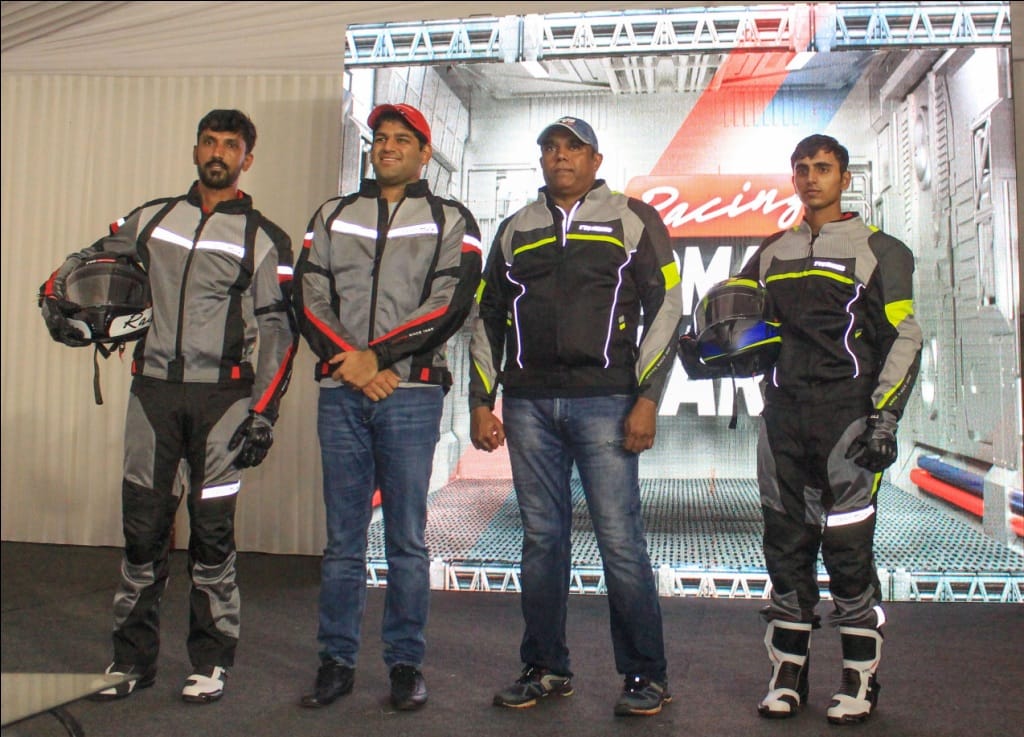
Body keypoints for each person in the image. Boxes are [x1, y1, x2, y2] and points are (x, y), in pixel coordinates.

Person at [38, 109, 298, 704]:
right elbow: (91, 264)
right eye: (209, 141)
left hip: (223, 401)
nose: (218, 152)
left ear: (247, 159)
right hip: (152, 393)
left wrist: (264, 413)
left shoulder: (264, 237)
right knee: (142, 533)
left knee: (212, 536)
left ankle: (211, 661)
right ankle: (131, 662)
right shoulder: (152, 218)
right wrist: (59, 297)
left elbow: (279, 331)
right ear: (196, 150)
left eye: (230, 145)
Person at [704, 134, 922, 724]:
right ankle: (787, 677)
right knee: (785, 551)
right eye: (801, 168)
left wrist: (884, 416)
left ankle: (859, 681)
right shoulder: (772, 251)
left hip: (847, 420)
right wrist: (715, 350)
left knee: (849, 555)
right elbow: (741, 321)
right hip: (782, 419)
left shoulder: (881, 251)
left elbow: (905, 337)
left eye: (822, 168)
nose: (810, 177)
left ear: (844, 178)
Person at [469, 116, 682, 717]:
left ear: (595, 159)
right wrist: (481, 401)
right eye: (550, 147)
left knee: (620, 541)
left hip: (607, 402)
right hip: (529, 405)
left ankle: (646, 675)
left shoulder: (634, 218)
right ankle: (545, 667)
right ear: (542, 159)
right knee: (542, 541)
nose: (560, 156)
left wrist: (647, 397)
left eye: (573, 147)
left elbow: (668, 305)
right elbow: (488, 315)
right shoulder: (515, 228)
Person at [293, 102, 482, 712]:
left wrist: (377, 357)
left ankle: (404, 664)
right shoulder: (332, 215)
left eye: (403, 138)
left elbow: (451, 301)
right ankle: (336, 662)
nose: (388, 146)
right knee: (343, 541)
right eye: (380, 137)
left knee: (406, 539)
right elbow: (307, 295)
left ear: (425, 153)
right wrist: (351, 361)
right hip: (342, 391)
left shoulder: (451, 218)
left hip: (412, 394)